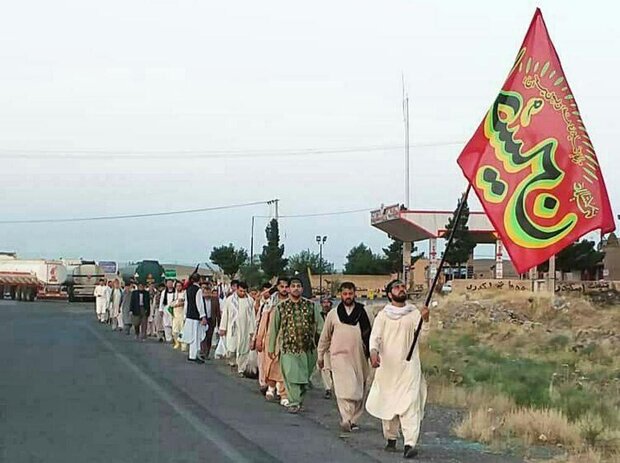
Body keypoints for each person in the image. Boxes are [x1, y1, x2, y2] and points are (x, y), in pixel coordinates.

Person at [366, 279, 429, 459]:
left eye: (402, 287)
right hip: (388, 368)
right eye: (397, 287)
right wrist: (373, 353)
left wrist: (426, 319)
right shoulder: (383, 316)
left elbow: (424, 335)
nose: (401, 289)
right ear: (389, 294)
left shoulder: (414, 313)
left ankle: (410, 443)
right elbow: (375, 338)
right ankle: (391, 437)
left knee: (410, 404)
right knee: (389, 403)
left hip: (409, 367)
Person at [318, 282, 371, 433]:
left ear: (355, 293)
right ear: (340, 295)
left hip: (359, 356)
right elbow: (325, 337)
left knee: (358, 389)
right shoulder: (333, 314)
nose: (348, 296)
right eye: (345, 294)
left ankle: (353, 419)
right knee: (342, 388)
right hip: (339, 356)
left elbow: (373, 335)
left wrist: (374, 353)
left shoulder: (364, 312)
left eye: (350, 293)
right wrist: (320, 355)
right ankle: (345, 418)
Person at [268, 276, 323, 414]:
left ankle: (298, 400)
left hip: (308, 348)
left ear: (302, 289)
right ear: (289, 289)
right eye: (293, 286)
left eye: (298, 286)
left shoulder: (311, 306)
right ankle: (293, 402)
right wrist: (271, 347)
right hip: (288, 348)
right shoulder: (281, 307)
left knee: (304, 379)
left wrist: (325, 343)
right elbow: (274, 328)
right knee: (291, 376)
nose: (296, 289)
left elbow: (321, 326)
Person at [256, 277, 290, 405]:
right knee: (269, 364)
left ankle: (283, 394)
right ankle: (270, 387)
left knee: (284, 366)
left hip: (286, 338)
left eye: (287, 287)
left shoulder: (291, 302)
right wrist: (259, 339)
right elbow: (263, 321)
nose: (284, 289)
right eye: (282, 287)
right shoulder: (271, 302)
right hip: (270, 338)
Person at [220, 281, 256, 377]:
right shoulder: (230, 300)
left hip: (245, 329)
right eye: (240, 291)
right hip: (233, 328)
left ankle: (241, 369)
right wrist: (222, 328)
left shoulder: (250, 301)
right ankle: (232, 361)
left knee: (244, 350)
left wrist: (253, 331)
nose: (242, 293)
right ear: (237, 289)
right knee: (231, 349)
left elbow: (252, 316)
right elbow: (225, 314)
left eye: (244, 291)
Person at [181, 273, 208, 364]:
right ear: (199, 280)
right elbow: (199, 304)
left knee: (192, 336)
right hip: (196, 317)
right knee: (195, 336)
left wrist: (185, 315)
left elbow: (186, 304)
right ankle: (193, 355)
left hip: (189, 315)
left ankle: (192, 354)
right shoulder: (198, 290)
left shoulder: (188, 289)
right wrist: (203, 316)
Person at [253, 282, 273, 393]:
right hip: (262, 336)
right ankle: (263, 383)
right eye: (264, 290)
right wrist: (255, 338)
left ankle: (271, 383)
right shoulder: (262, 305)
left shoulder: (273, 304)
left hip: (272, 337)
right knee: (261, 362)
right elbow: (257, 320)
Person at [317, 297, 334, 399]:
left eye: (328, 302)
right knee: (324, 367)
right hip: (323, 344)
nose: (326, 304)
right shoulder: (318, 316)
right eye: (324, 302)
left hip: (335, 345)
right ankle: (328, 388)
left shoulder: (336, 315)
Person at [200, 282, 221, 360]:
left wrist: (219, 323)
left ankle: (207, 353)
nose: (207, 294)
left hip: (211, 320)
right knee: (202, 337)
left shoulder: (215, 300)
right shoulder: (201, 300)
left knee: (209, 337)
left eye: (208, 292)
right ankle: (202, 351)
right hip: (202, 320)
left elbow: (218, 312)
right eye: (205, 293)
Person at [159, 279, 177, 343]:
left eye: (171, 283)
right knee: (166, 324)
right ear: (166, 284)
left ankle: (174, 338)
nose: (170, 284)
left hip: (174, 309)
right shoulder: (164, 292)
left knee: (173, 324)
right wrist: (160, 310)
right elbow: (161, 301)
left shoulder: (176, 291)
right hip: (166, 309)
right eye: (168, 283)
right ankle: (168, 338)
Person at [171, 281, 187, 351]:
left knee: (183, 330)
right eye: (177, 286)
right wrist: (176, 304)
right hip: (175, 314)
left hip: (182, 314)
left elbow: (186, 303)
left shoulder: (184, 293)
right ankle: (177, 342)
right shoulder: (174, 294)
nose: (178, 287)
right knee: (175, 331)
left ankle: (184, 345)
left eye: (180, 286)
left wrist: (181, 303)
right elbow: (170, 304)